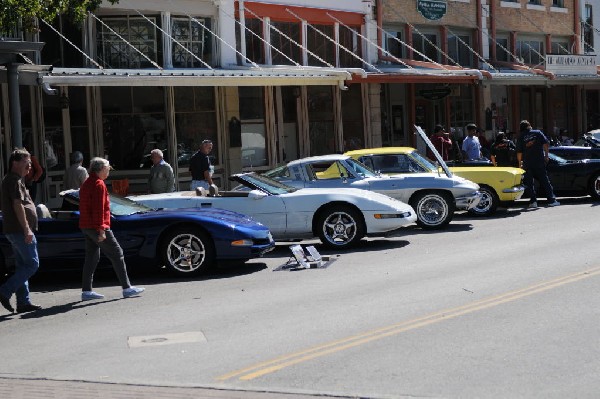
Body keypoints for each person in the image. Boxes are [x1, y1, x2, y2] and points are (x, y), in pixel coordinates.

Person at [79, 157, 145, 301]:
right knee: (117, 253)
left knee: (91, 257)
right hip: (97, 226)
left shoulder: (87, 183)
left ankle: (86, 291)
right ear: (101, 169)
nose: (109, 170)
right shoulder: (98, 184)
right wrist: (101, 229)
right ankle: (127, 288)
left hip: (86, 225)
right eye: (108, 167)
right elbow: (99, 209)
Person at [0, 148, 42, 314]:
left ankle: (23, 302)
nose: (30, 166)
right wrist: (26, 230)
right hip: (19, 230)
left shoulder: (16, 179)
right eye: (27, 162)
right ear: (15, 163)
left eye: (31, 163)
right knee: (32, 264)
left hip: (16, 230)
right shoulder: (13, 181)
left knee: (22, 266)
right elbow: (17, 205)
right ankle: (5, 290)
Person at [516, 120, 560, 208]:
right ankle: (551, 200)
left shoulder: (521, 136)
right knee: (545, 181)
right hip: (539, 161)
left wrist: (519, 163)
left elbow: (519, 152)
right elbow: (546, 144)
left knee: (529, 183)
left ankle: (533, 202)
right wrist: (546, 156)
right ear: (529, 126)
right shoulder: (538, 133)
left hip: (527, 163)